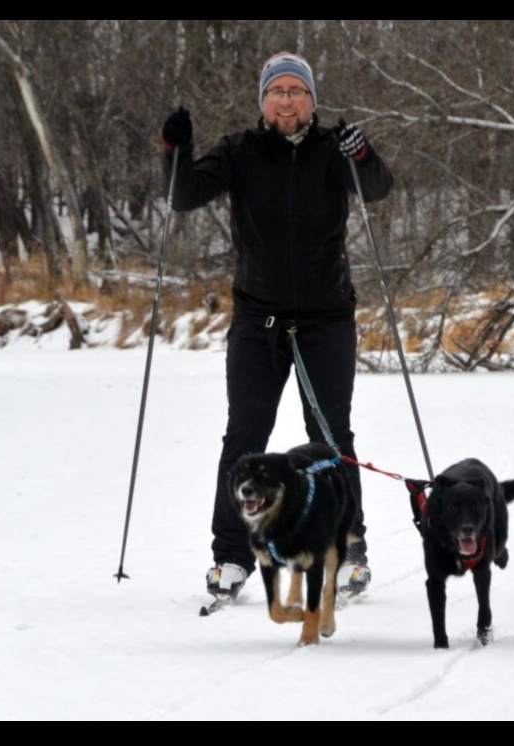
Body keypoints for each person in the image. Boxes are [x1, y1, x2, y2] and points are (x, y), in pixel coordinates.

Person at [162, 51, 393, 602]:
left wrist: (360, 153)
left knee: (331, 438)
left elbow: (377, 187)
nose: (285, 100)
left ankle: (348, 549)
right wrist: (177, 150)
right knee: (245, 435)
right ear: (263, 101)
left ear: (311, 100)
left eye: (296, 91)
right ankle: (231, 558)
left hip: (325, 320)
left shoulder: (331, 149)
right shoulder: (241, 150)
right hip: (257, 320)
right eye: (276, 91)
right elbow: (183, 195)